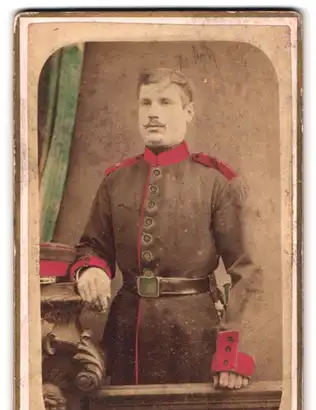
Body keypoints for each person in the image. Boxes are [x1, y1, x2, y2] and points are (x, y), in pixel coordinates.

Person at [69, 68, 261, 388]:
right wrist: (92, 271)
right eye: (146, 103)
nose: (153, 114)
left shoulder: (215, 182)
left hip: (194, 336)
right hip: (125, 333)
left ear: (188, 112)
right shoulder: (116, 181)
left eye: (165, 102)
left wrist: (231, 358)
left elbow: (248, 271)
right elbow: (92, 247)